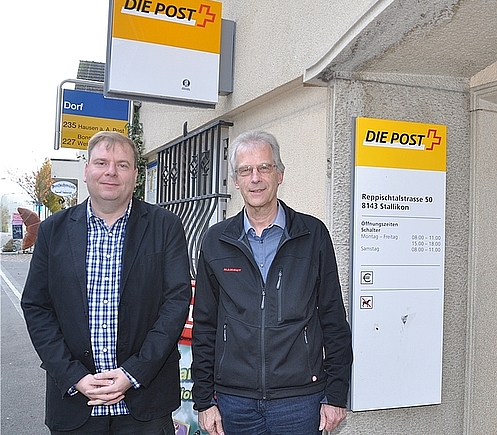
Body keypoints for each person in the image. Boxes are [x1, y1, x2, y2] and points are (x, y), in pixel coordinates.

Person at [21, 131, 192, 434]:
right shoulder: (53, 231)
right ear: (87, 170)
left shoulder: (165, 226)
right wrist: (73, 375)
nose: (111, 171)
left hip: (145, 404)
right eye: (102, 162)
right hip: (75, 404)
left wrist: (134, 373)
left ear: (136, 175)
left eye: (122, 165)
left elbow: (176, 303)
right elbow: (37, 307)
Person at [191, 130, 353, 435]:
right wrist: (203, 401)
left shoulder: (312, 234)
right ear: (236, 181)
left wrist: (336, 395)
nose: (256, 178)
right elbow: (205, 325)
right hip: (234, 402)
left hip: (301, 401)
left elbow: (333, 319)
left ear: (279, 175)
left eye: (264, 168)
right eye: (245, 170)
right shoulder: (216, 240)